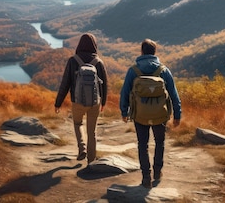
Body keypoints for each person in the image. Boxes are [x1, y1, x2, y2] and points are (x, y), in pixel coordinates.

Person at [120, 38, 181, 188]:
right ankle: (157, 171)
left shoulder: (133, 71)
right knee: (160, 143)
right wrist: (177, 115)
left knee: (143, 144)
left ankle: (146, 177)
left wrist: (124, 111)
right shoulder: (164, 71)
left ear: (142, 52)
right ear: (155, 52)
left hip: (139, 114)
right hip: (160, 114)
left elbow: (125, 92)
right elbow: (174, 94)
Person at [54, 33, 108, 164]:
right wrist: (103, 102)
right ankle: (91, 162)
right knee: (92, 132)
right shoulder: (98, 62)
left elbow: (65, 83)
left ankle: (82, 147)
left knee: (78, 124)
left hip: (77, 101)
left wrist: (58, 103)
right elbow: (105, 84)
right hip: (95, 102)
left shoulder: (73, 61)